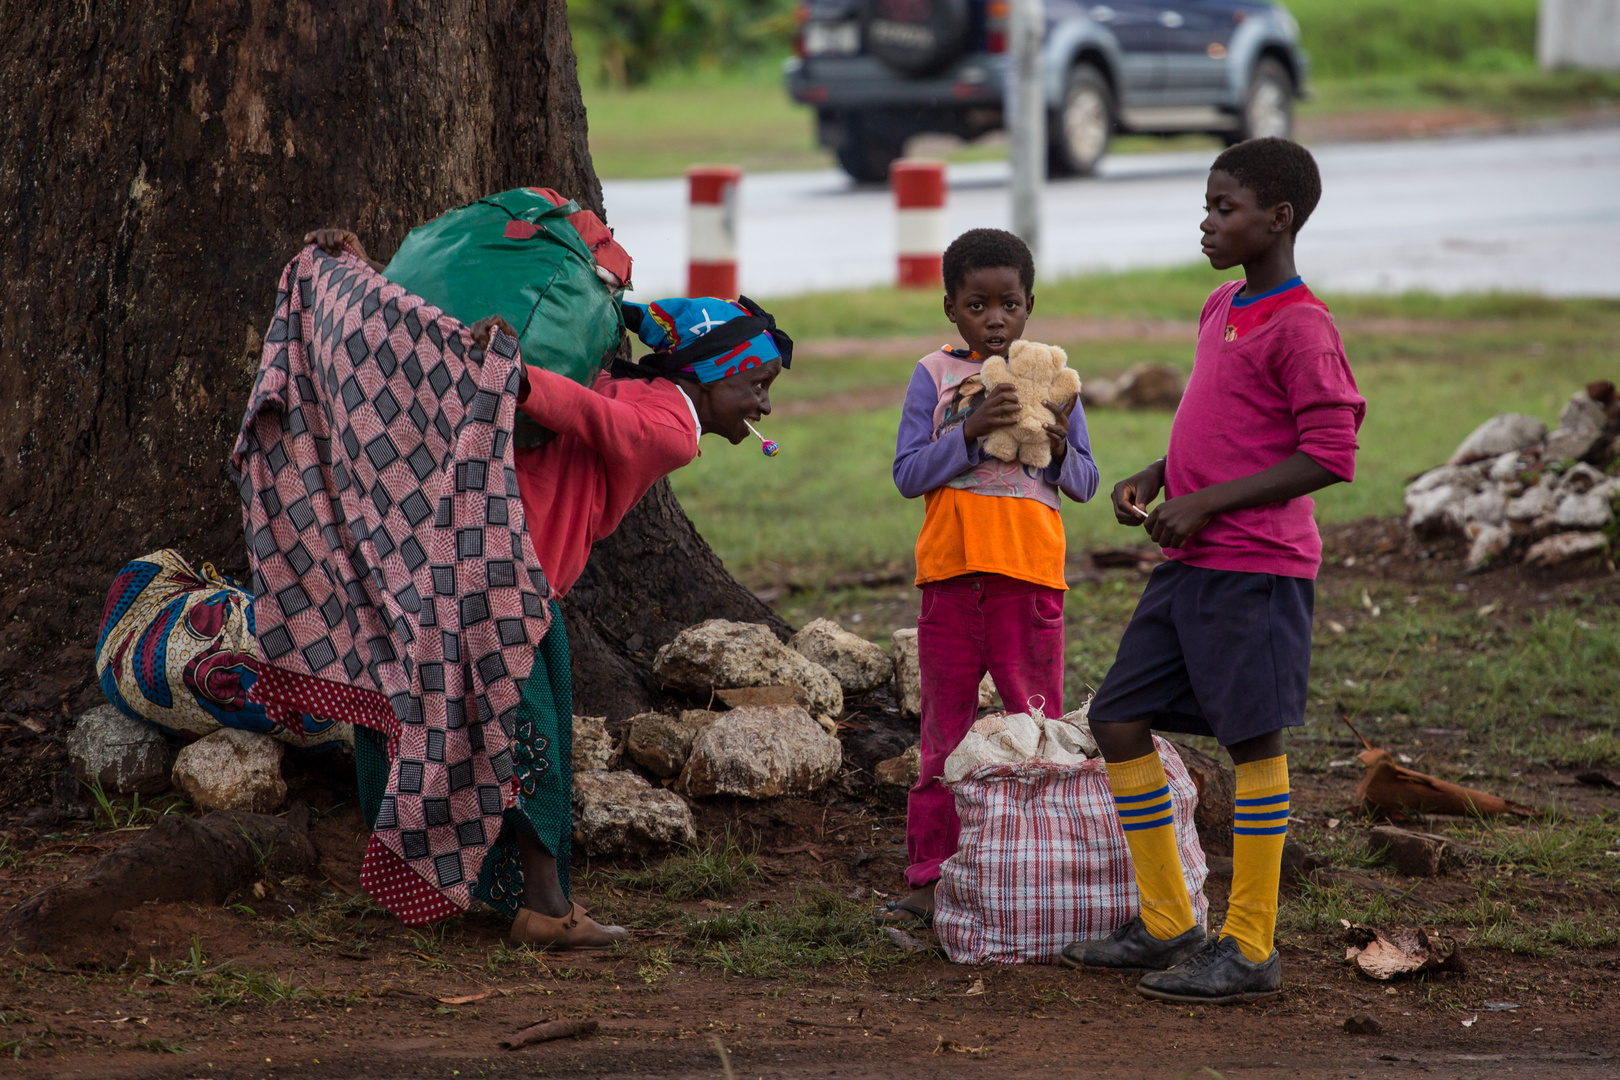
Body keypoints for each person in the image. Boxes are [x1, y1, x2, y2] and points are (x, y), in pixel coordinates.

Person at [294, 229, 791, 948]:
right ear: (713, 376)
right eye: (758, 385)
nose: (765, 408)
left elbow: (582, 406)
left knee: (432, 722)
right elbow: (598, 418)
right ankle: (545, 908)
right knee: (531, 744)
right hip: (509, 580)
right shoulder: (666, 425)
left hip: (441, 561)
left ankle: (440, 886)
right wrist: (516, 373)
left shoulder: (618, 386)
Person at [1063, 138, 1364, 1003]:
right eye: (1205, 204)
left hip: (1256, 568)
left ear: (1278, 219)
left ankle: (1253, 945)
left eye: (1223, 208)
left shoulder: (1305, 327)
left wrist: (1212, 502)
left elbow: (1329, 454)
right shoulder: (1221, 305)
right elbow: (1221, 419)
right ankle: (1167, 923)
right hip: (1192, 563)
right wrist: (1159, 476)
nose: (1207, 221)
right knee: (1119, 716)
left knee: (1252, 740)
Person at [880, 228, 1100, 929]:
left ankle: (1035, 870)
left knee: (1034, 735)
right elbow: (909, 474)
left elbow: (1088, 483)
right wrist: (969, 431)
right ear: (951, 307)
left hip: (1030, 586)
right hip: (949, 582)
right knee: (942, 740)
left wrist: (1062, 447)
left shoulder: (1060, 384)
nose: (995, 319)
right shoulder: (934, 377)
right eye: (978, 305)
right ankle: (930, 876)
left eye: (1009, 304)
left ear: (1029, 306)